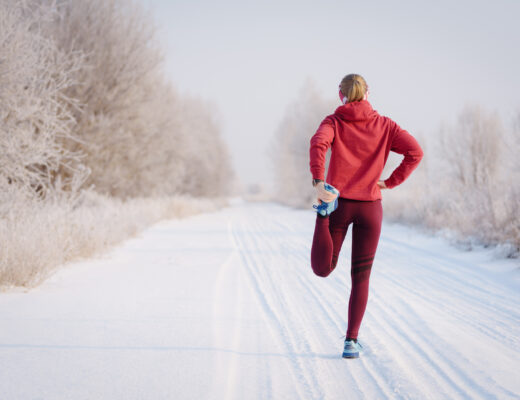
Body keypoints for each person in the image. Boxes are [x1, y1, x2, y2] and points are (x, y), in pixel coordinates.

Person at [309, 73, 424, 359]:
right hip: (371, 208)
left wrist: (319, 181)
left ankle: (322, 214)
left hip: (340, 204)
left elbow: (318, 143)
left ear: (341, 95)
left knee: (323, 269)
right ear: (368, 93)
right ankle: (351, 341)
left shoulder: (333, 122)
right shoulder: (385, 125)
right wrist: (391, 181)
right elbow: (415, 152)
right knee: (361, 277)